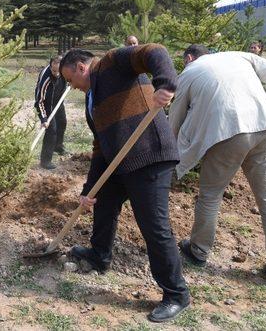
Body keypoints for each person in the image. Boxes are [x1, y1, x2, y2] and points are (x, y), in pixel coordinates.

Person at [60, 45, 190, 323]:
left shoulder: (112, 63)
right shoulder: (92, 98)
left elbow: (155, 52)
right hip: (120, 162)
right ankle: (99, 255)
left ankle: (176, 294)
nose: (72, 87)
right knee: (103, 204)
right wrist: (89, 190)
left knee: (154, 225)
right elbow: (100, 146)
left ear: (81, 67)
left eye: (71, 80)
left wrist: (165, 83)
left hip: (150, 156)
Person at [169, 45, 266, 288]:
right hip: (265, 128)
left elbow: (175, 117)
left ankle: (199, 250)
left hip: (226, 134)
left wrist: (170, 151)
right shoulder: (240, 56)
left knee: (211, 195)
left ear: (189, 58)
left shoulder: (189, 72)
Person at [34, 55, 67, 169]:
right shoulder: (46, 78)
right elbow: (39, 101)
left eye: (58, 71)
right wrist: (43, 119)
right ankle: (45, 161)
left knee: (62, 123)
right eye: (53, 70)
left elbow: (68, 79)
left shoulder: (64, 71)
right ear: (50, 66)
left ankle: (58, 146)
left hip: (58, 101)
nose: (56, 74)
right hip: (46, 105)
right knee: (51, 130)